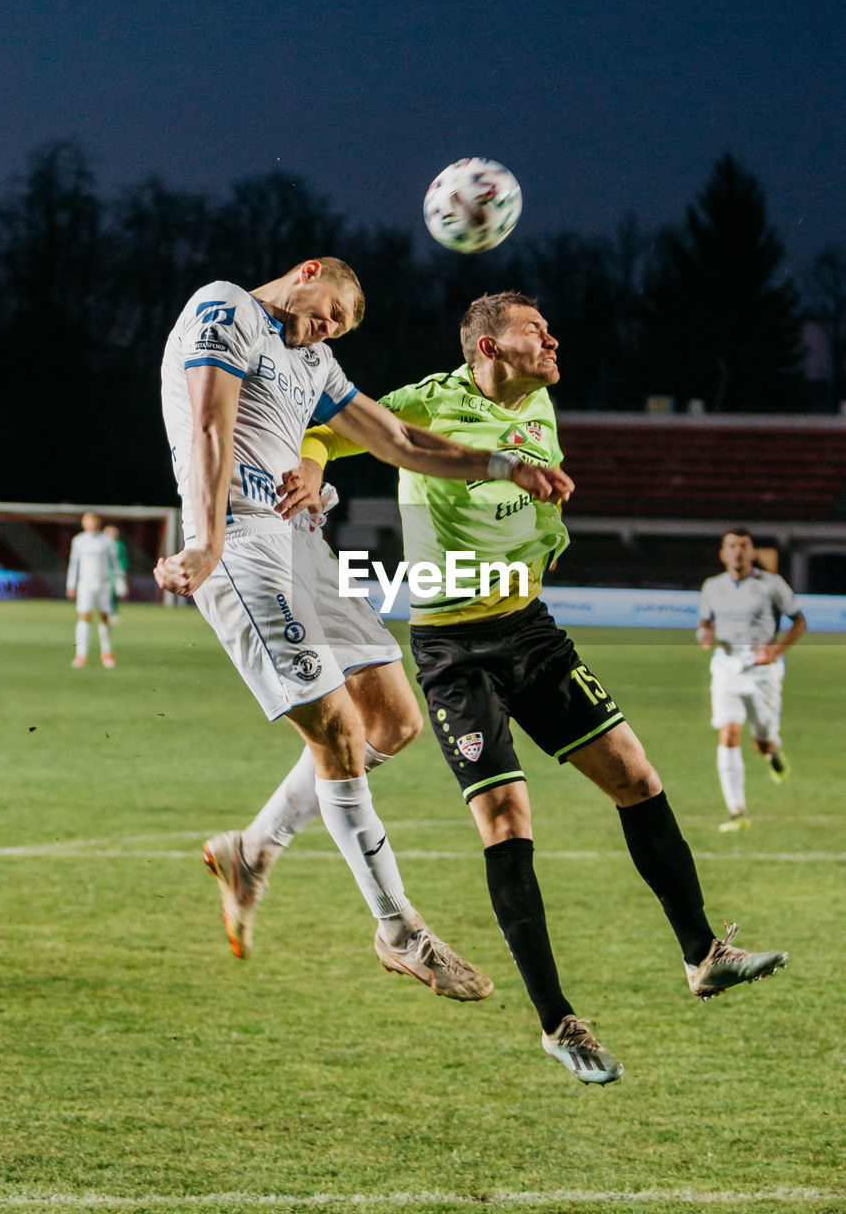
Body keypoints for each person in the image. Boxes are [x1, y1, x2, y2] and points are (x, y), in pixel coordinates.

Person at [282, 290, 790, 1087]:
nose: (552, 340)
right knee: (505, 816)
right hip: (455, 649)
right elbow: (323, 426)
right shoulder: (427, 401)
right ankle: (558, 1023)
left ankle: (703, 955)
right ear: (486, 348)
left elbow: (533, 492)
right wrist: (310, 476)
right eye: (534, 331)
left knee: (635, 775)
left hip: (531, 628)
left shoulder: (540, 401)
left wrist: (549, 530)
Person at [155, 259, 570, 1005]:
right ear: (308, 273)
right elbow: (212, 424)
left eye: (340, 327)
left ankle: (252, 849)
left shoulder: (312, 358)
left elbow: (395, 439)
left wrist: (502, 464)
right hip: (243, 543)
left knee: (393, 718)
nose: (328, 329)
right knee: (339, 733)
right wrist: (207, 540)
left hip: (302, 543)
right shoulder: (225, 310)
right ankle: (399, 929)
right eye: (329, 312)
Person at [697, 528, 806, 832]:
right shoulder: (712, 587)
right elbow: (705, 623)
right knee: (728, 733)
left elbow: (799, 621)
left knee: (761, 741)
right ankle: (737, 813)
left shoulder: (771, 585)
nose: (738, 551)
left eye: (743, 545)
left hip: (762, 672)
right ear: (723, 553)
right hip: (726, 668)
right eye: (731, 545)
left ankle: (774, 751)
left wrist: (776, 650)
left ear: (752, 551)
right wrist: (703, 633)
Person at [66, 512, 125, 668]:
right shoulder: (79, 540)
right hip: (85, 584)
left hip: (103, 584)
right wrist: (71, 584)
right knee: (84, 616)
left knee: (104, 617)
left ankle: (106, 653)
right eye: (87, 520)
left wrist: (120, 579)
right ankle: (81, 655)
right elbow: (74, 563)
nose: (91, 523)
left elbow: (114, 561)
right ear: (83, 523)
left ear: (98, 522)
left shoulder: (107, 541)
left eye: (93, 520)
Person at [103, 524, 129, 622]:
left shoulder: (119, 545)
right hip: (104, 572)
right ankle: (106, 611)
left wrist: (122, 570)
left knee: (115, 593)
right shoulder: (103, 545)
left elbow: (123, 559)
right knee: (106, 593)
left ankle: (113, 611)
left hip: (116, 573)